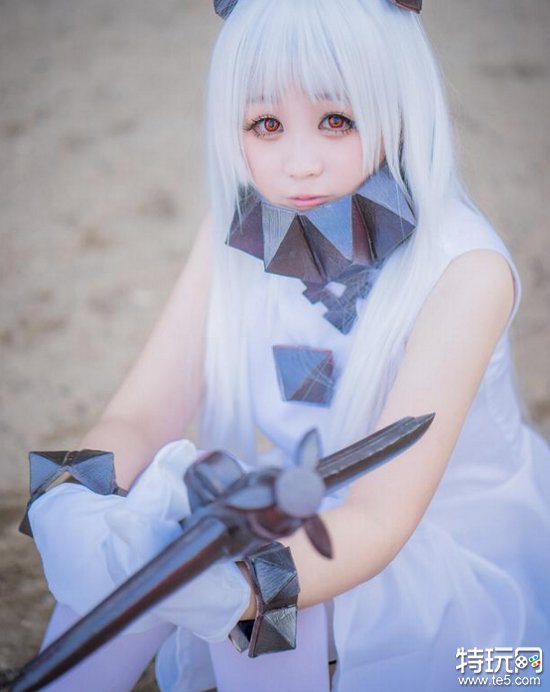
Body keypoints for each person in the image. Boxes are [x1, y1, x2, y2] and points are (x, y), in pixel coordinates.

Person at [24, 0, 550, 690]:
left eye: (337, 120)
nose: (300, 164)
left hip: (430, 561)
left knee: (252, 578)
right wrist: (77, 496)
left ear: (397, 104)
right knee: (146, 518)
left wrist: (243, 586)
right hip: (281, 511)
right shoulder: (237, 229)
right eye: (266, 124)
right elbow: (143, 414)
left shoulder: (465, 270)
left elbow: (381, 517)